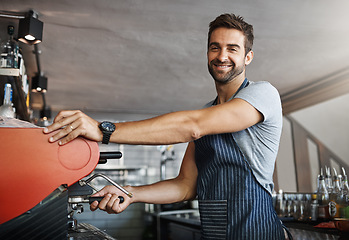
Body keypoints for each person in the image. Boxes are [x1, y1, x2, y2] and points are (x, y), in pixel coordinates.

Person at [45, 13, 289, 239]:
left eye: (232, 49)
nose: (222, 56)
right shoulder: (207, 112)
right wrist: (130, 193)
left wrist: (103, 130)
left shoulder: (262, 94)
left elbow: (192, 126)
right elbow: (184, 186)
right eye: (215, 47)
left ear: (248, 56)